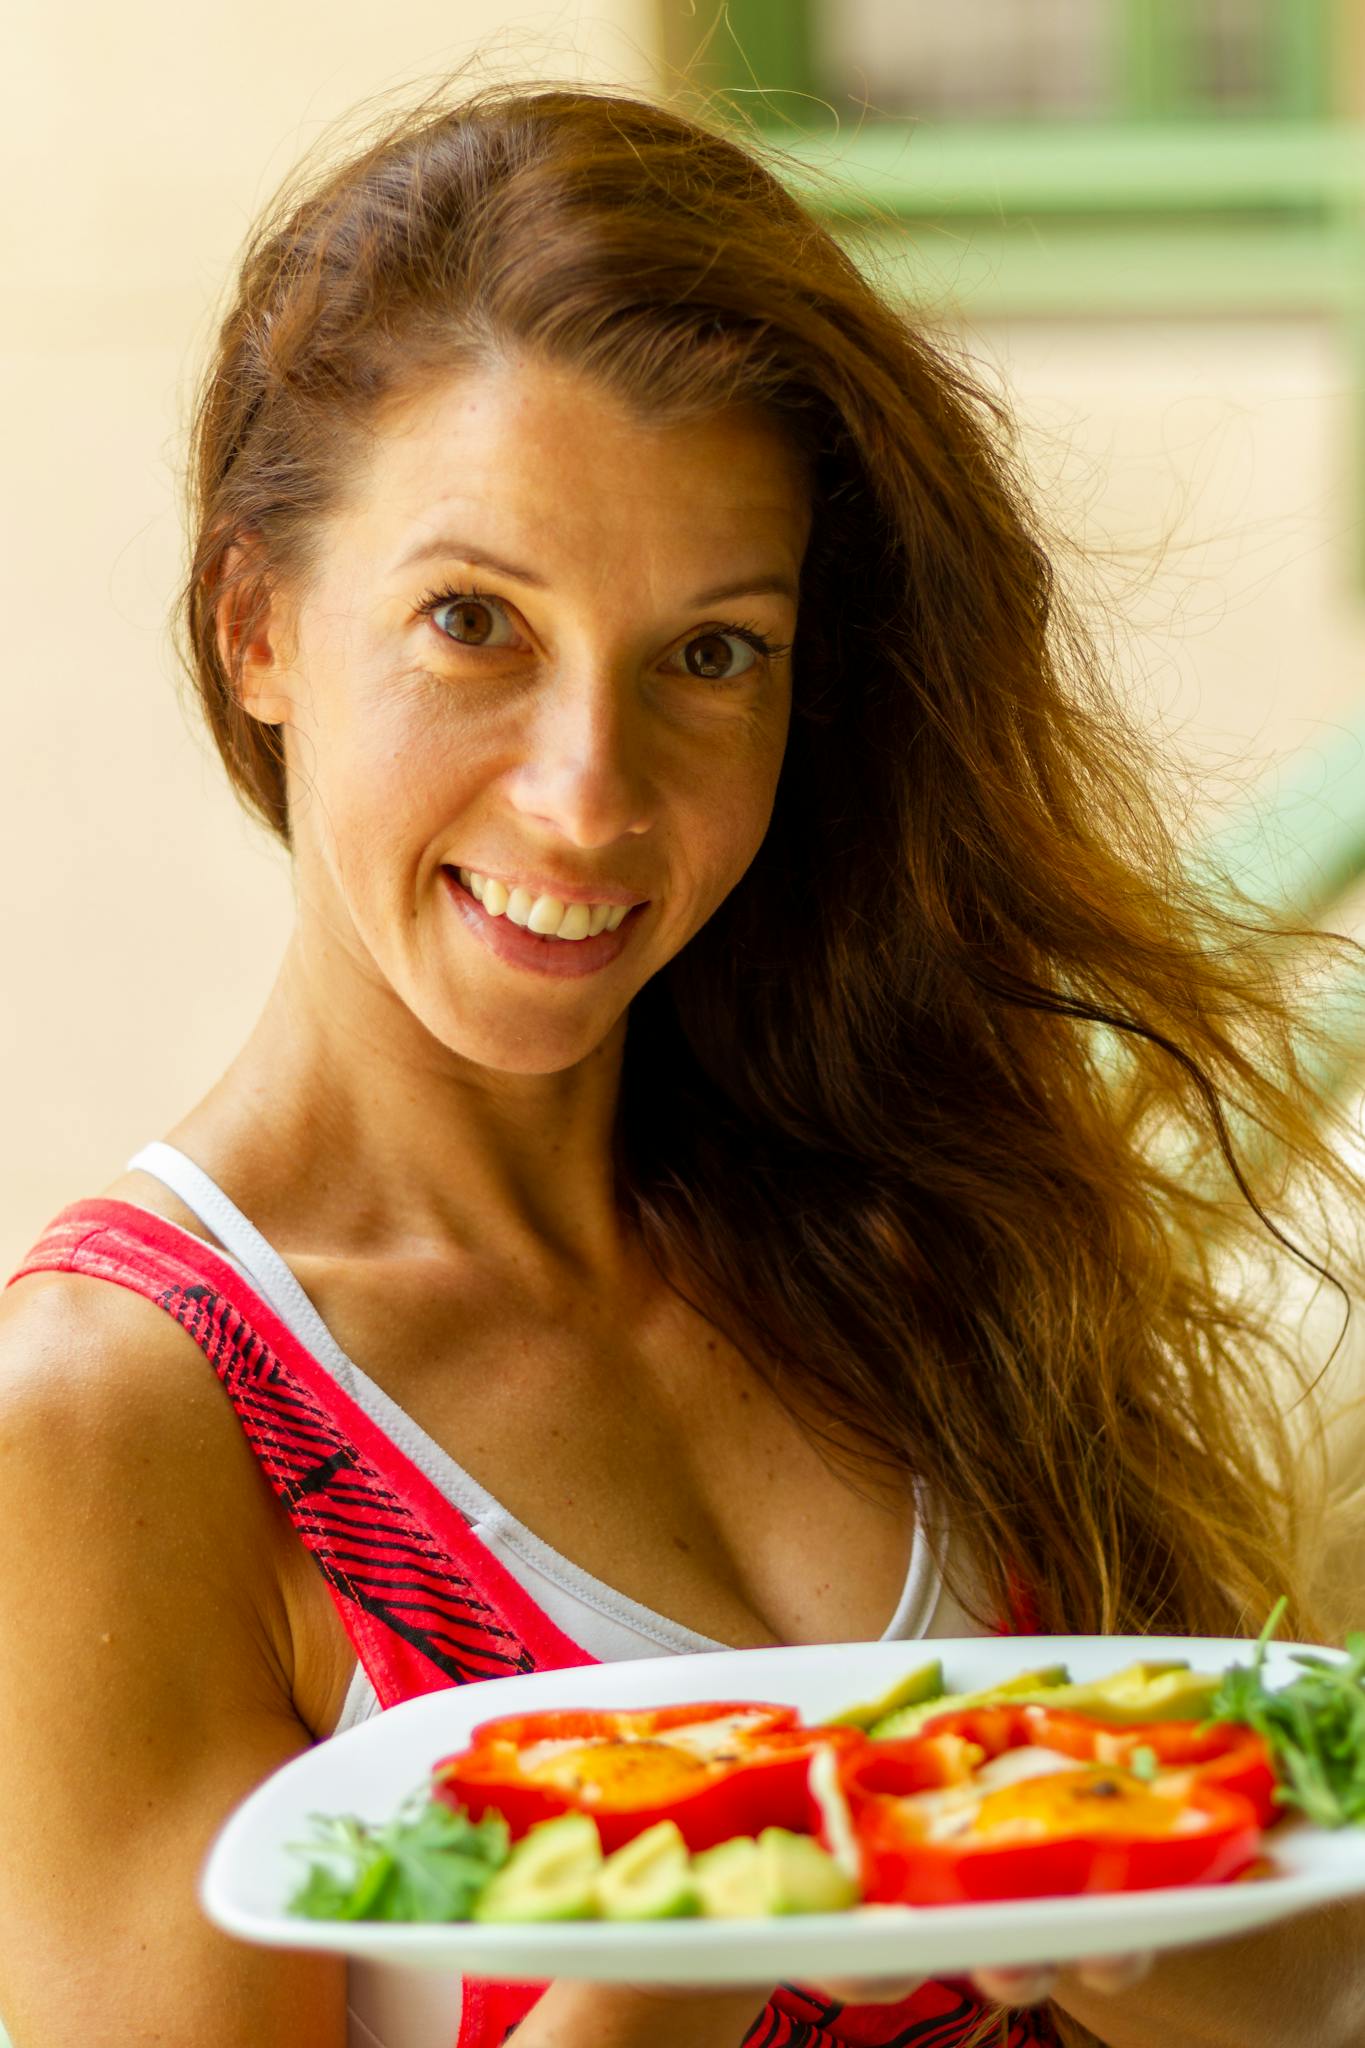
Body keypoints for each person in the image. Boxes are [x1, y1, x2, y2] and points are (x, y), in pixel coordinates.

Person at [1, 74, 1363, 2048]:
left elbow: (1285, 1983)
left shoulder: (891, 1211)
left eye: (711, 652)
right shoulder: (120, 1422)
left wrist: (1071, 1873)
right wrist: (703, 1927)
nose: (587, 795)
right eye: (473, 621)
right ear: (256, 623)